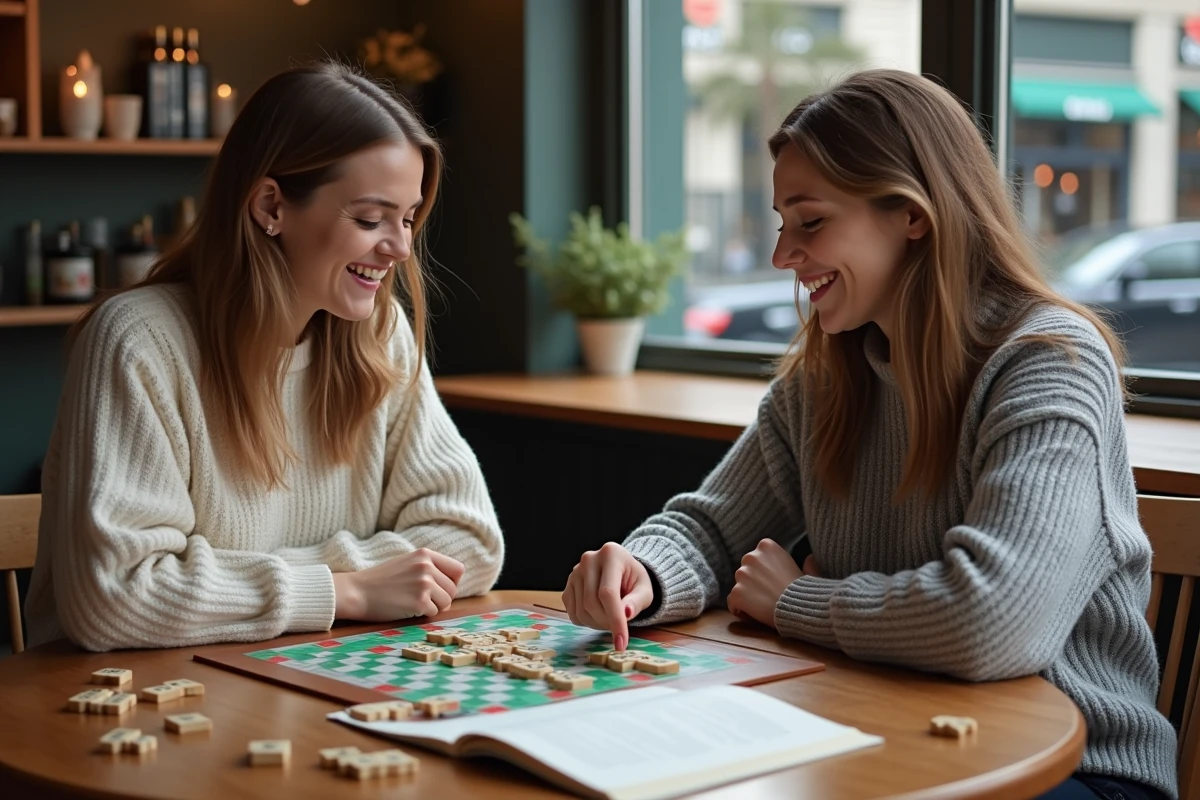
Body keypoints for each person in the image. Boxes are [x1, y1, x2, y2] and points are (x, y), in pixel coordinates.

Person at [562, 70, 1175, 800]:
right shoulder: (825, 376)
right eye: (783, 222)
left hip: (1072, 769)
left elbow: (993, 620)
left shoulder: (1050, 363)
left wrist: (799, 603)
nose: (782, 255)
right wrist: (643, 573)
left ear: (912, 215)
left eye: (811, 221)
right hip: (884, 737)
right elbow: (711, 529)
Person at [26, 63, 504, 652]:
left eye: (407, 219)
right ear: (271, 206)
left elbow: (471, 541)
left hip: (292, 678)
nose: (400, 247)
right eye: (370, 218)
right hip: (114, 711)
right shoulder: (138, 341)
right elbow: (116, 597)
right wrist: (344, 588)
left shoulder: (380, 333)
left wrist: (286, 581)